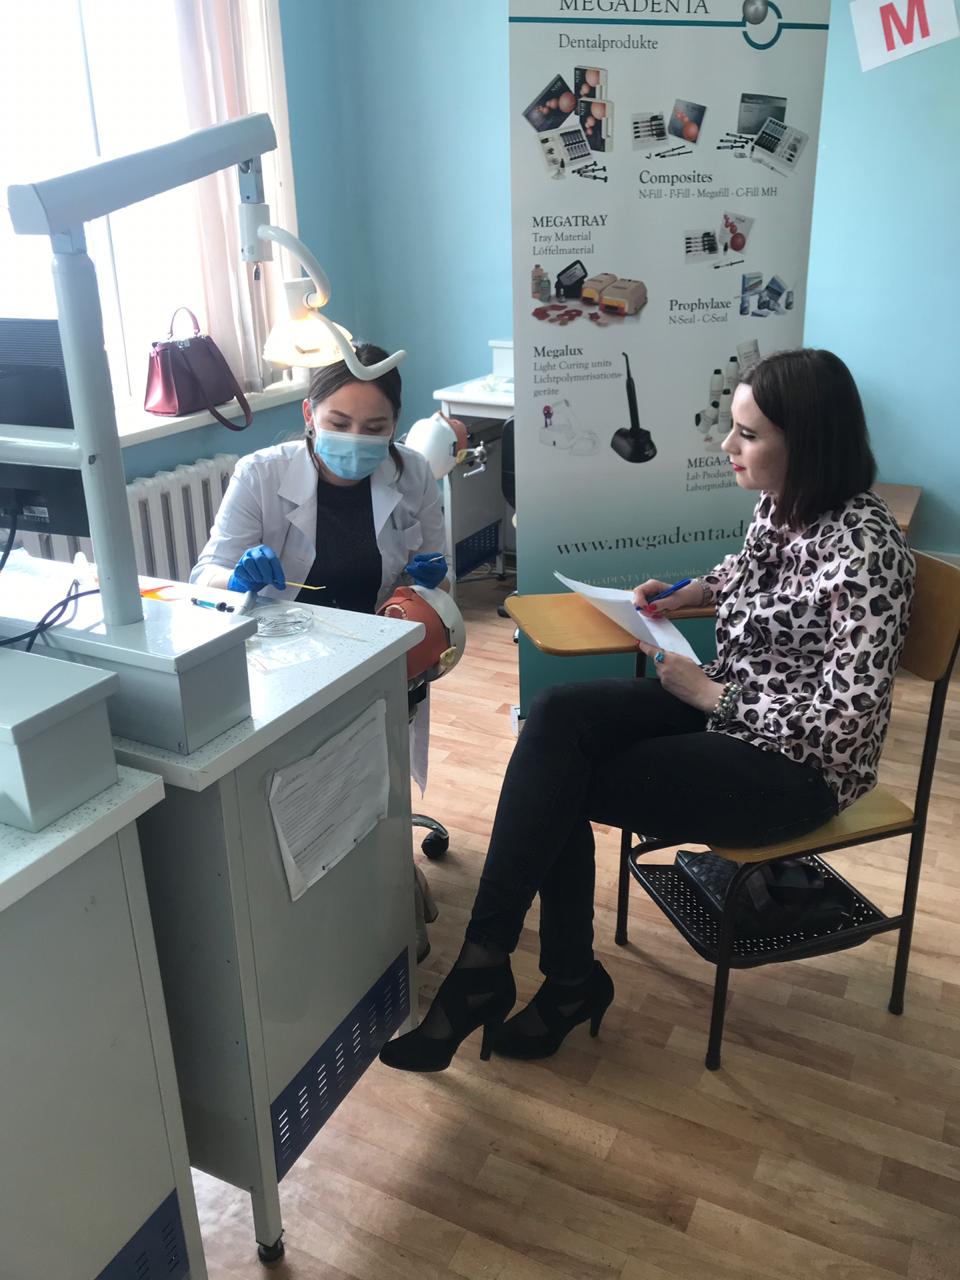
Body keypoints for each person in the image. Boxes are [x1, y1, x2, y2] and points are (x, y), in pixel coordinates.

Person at [379, 347, 916, 1073]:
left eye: (748, 434)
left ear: (810, 443)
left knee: (559, 785)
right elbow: (748, 573)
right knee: (557, 717)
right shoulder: (784, 502)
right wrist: (692, 590)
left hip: (799, 769)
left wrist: (714, 695)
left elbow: (845, 724)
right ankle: (500, 964)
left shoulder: (869, 553)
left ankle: (538, 979)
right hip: (730, 705)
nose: (727, 446)